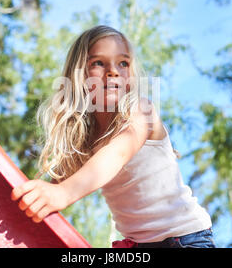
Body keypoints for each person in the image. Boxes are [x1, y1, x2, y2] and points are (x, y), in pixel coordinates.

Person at [11, 25, 215, 248]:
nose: (113, 71)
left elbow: (118, 152)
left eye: (123, 63)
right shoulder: (84, 140)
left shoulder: (141, 111)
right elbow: (52, 193)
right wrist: (43, 198)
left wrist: (62, 193)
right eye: (98, 63)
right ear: (79, 75)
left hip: (186, 239)